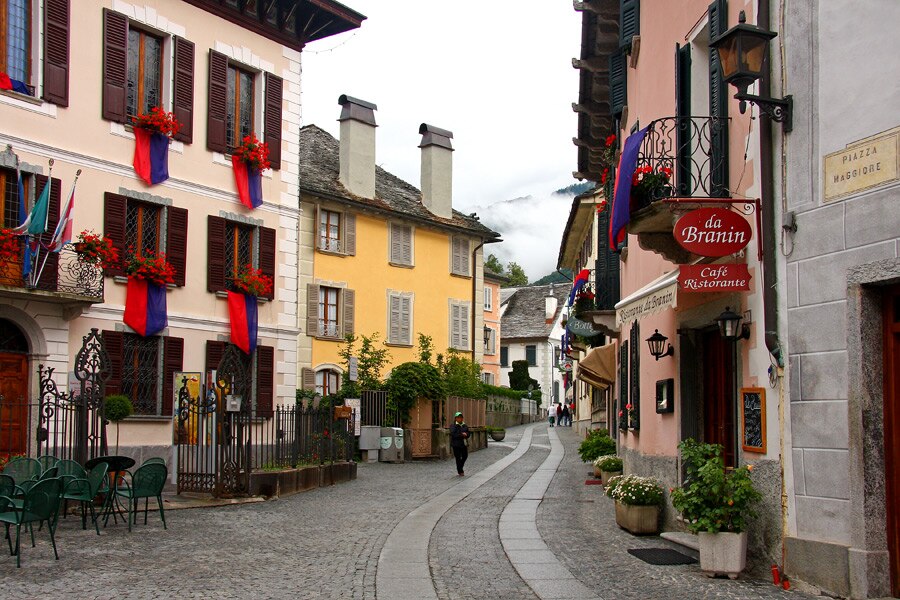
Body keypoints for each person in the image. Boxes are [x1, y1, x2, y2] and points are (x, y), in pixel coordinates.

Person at [449, 411, 469, 476]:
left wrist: (466, 434)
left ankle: (460, 467)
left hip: (463, 444)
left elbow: (468, 433)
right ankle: (460, 471)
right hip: (456, 444)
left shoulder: (464, 425)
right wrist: (462, 434)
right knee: (458, 457)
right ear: (455, 418)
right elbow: (453, 434)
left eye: (461, 417)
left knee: (465, 456)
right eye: (458, 417)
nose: (460, 418)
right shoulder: (453, 425)